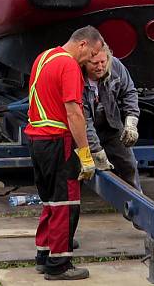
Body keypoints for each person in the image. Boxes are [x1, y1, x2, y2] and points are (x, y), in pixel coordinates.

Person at [25, 26, 105, 281]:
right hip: (58, 141)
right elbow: (74, 112)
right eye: (92, 54)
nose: (92, 60)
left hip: (37, 139)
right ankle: (59, 264)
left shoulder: (44, 57)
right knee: (66, 203)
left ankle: (44, 254)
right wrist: (85, 154)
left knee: (49, 199)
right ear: (82, 44)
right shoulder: (69, 65)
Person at [82, 46, 141, 191]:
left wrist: (131, 122)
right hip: (83, 132)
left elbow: (129, 92)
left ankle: (138, 201)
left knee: (129, 165)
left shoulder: (115, 66)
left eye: (103, 61)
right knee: (75, 172)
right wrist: (96, 151)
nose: (100, 66)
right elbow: (84, 121)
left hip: (111, 126)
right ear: (84, 62)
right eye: (95, 63)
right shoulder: (76, 77)